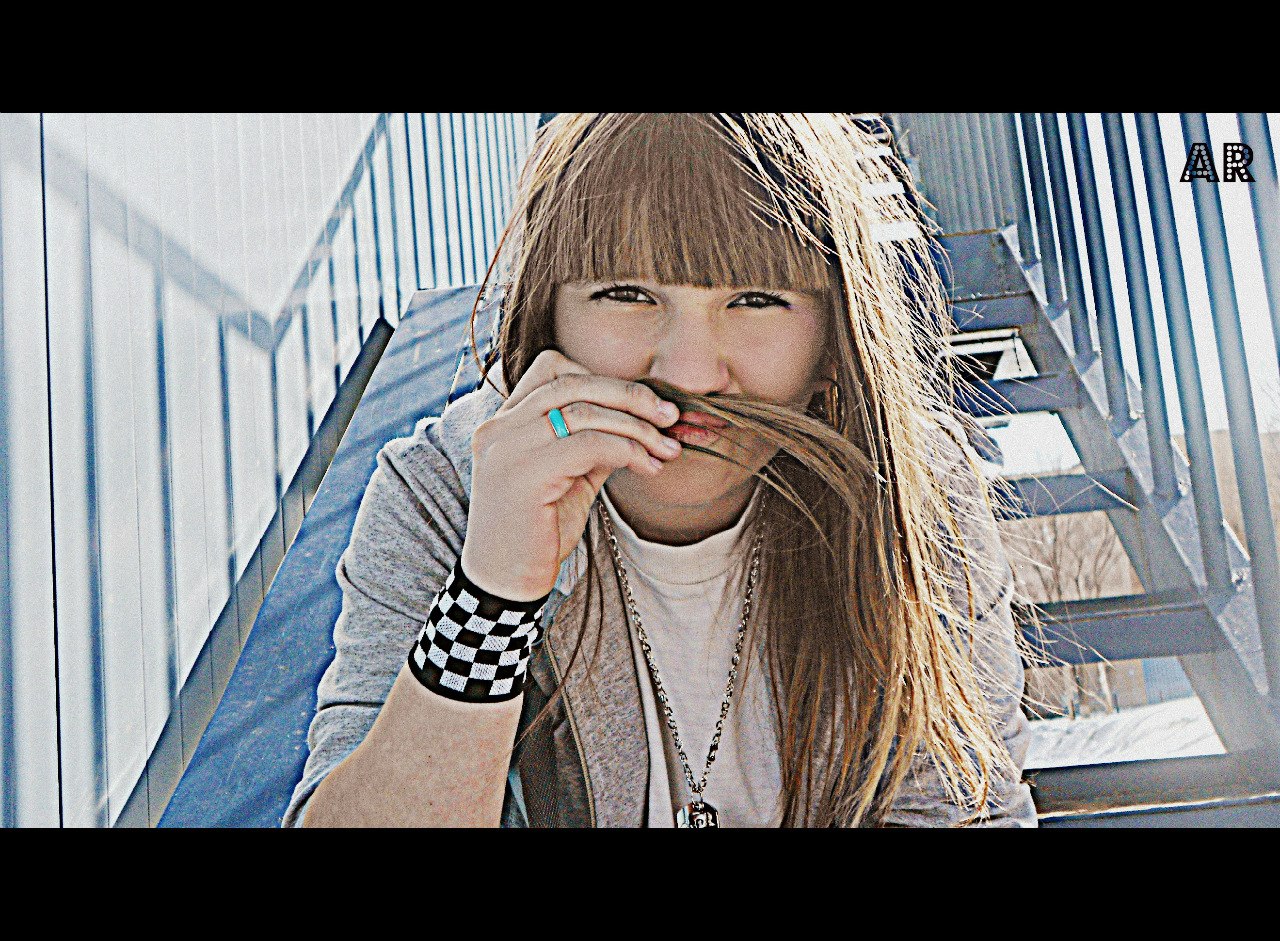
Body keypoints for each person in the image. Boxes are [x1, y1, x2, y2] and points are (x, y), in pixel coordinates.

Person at [284, 113, 1038, 828]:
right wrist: (493, 591)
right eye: (627, 294)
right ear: (547, 319)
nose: (689, 372)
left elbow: (970, 808)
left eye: (756, 299)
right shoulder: (448, 493)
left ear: (832, 342)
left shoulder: (911, 494)